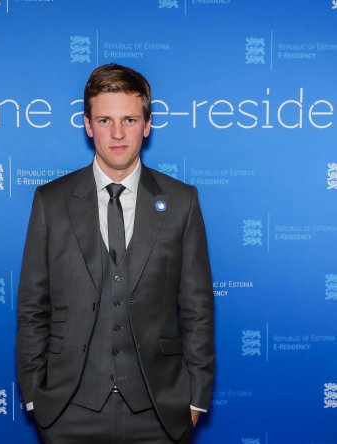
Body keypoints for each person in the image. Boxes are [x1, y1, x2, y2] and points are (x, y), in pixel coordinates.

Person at [16, 63, 215, 444]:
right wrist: (34, 395)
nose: (118, 133)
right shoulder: (51, 201)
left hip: (159, 410)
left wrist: (196, 398)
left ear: (147, 125)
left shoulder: (181, 201)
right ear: (88, 125)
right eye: (105, 120)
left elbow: (197, 308)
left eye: (129, 119)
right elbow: (33, 307)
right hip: (67, 411)